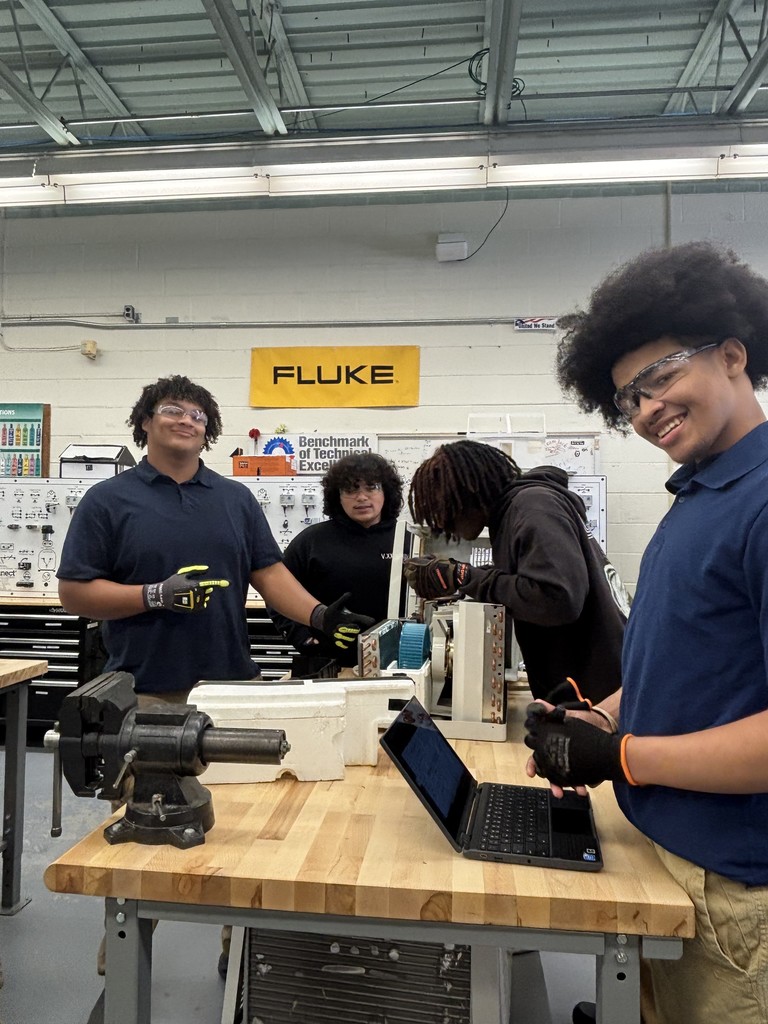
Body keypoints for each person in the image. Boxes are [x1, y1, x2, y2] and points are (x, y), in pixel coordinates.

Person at [524, 241, 768, 1024]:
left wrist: (624, 757)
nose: (646, 409)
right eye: (627, 398)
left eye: (660, 378)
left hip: (741, 893)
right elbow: (690, 659)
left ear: (733, 355)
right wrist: (602, 718)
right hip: (671, 860)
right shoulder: (701, 494)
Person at [57, 374, 374, 704]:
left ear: (207, 431)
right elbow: (73, 594)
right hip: (145, 690)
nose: (186, 420)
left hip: (235, 684)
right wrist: (155, 595)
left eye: (197, 416)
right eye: (172, 410)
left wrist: (319, 615)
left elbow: (268, 574)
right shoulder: (106, 500)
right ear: (145, 421)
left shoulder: (236, 499)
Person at [404, 439, 629, 703]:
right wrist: (462, 578)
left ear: (468, 492)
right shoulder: (521, 509)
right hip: (589, 688)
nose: (443, 524)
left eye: (444, 510)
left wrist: (464, 576)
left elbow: (557, 599)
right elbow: (530, 583)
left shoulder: (533, 507)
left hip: (601, 694)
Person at [268, 452, 404, 668]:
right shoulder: (311, 541)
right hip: (329, 664)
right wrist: (303, 639)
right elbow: (277, 593)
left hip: (399, 662)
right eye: (351, 489)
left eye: (371, 487)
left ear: (386, 491)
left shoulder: (408, 540)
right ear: (337, 496)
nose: (362, 497)